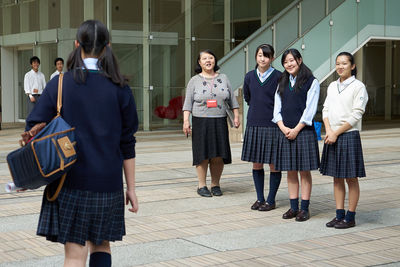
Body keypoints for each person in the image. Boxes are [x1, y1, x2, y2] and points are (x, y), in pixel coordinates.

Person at [25, 20, 139, 267]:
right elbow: (128, 143)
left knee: (75, 255)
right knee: (102, 245)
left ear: (77, 45)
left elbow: (33, 126)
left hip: (70, 181)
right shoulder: (121, 88)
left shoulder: (60, 83)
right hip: (108, 183)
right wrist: (131, 188)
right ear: (107, 46)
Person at [182, 49, 240, 197]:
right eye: (204, 58)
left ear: (215, 61)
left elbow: (233, 100)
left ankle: (215, 184)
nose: (208, 61)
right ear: (199, 62)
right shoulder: (194, 81)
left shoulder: (224, 78)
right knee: (202, 154)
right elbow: (187, 103)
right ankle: (202, 186)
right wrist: (186, 121)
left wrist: (236, 116)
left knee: (218, 154)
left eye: (211, 58)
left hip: (219, 120)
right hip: (200, 121)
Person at [320, 52, 368, 229]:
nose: (340, 67)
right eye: (338, 63)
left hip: (348, 135)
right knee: (336, 178)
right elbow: (325, 109)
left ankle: (350, 216)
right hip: (332, 135)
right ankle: (339, 214)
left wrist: (336, 132)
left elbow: (357, 114)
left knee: (351, 178)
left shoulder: (358, 86)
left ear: (353, 66)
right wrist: (329, 130)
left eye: (344, 63)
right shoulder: (332, 86)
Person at [272, 48, 320, 222]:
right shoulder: (282, 82)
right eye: (285, 62)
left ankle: (304, 209)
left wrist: (296, 129)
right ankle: (293, 207)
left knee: (304, 171)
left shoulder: (311, 81)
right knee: (290, 171)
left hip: (303, 132)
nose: (289, 64)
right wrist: (283, 127)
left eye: (291, 60)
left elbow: (310, 110)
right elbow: (276, 108)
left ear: (299, 60)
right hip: (285, 131)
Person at [241, 44, 282, 211]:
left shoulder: (280, 76)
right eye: (259, 55)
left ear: (272, 58)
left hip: (273, 125)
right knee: (256, 164)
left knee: (274, 164)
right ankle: (260, 198)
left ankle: (271, 200)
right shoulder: (250, 76)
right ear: (256, 57)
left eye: (266, 56)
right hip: (254, 123)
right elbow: (247, 97)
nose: (262, 58)